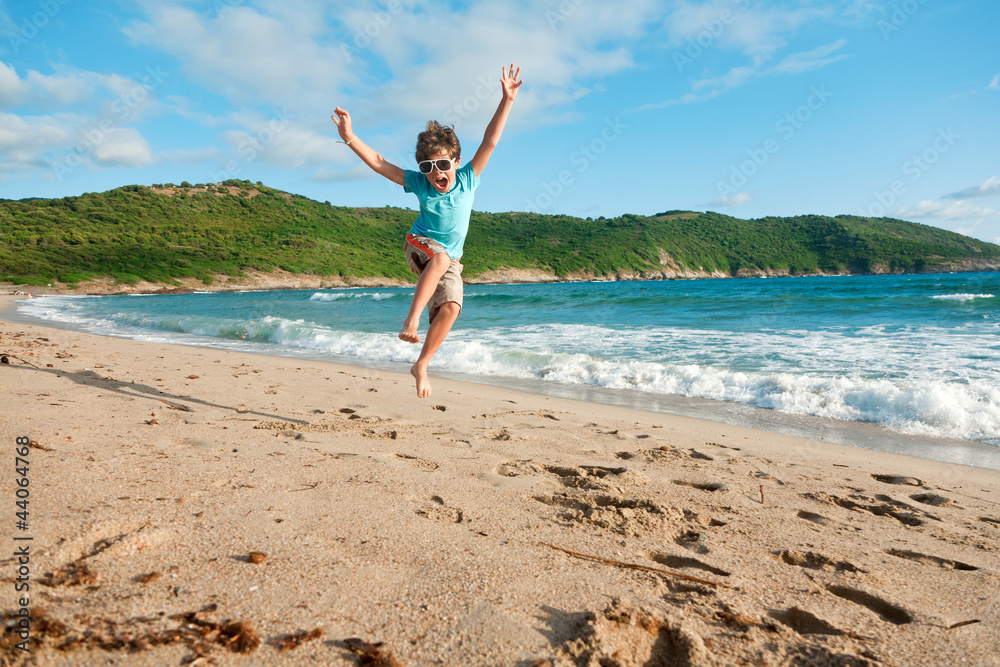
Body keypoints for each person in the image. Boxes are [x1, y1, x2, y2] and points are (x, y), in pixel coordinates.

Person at [332, 64, 523, 398]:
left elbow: (490, 141)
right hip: (418, 243)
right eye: (428, 166)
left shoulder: (468, 179)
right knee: (440, 258)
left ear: (456, 162)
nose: (436, 172)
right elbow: (380, 163)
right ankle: (411, 320)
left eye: (443, 164)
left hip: (451, 261)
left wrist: (506, 100)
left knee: (451, 308)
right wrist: (349, 137)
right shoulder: (420, 184)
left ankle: (421, 365)